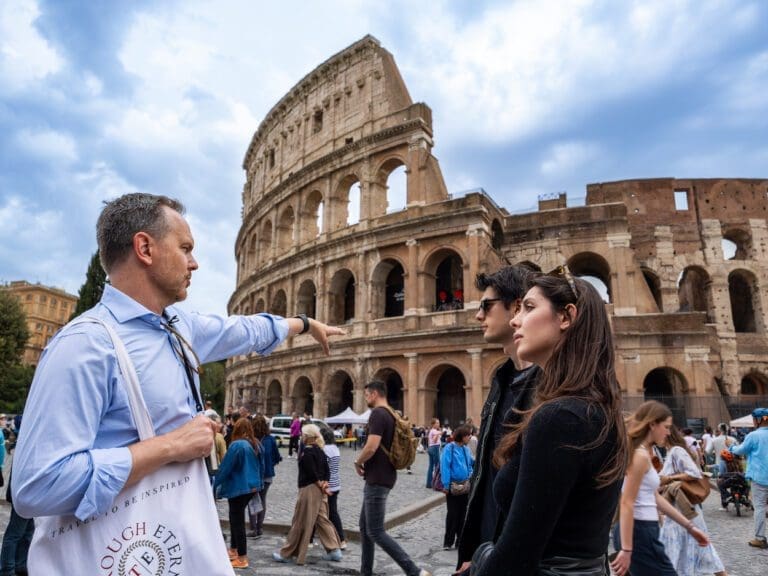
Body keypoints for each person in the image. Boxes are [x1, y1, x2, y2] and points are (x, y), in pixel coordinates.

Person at [11, 193, 344, 562]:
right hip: (110, 553)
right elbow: (35, 486)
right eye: (185, 248)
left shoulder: (180, 327)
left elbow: (244, 330)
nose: (195, 262)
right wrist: (170, 446)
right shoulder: (84, 345)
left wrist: (304, 324)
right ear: (145, 248)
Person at [461, 271, 628, 576]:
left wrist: (483, 555)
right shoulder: (599, 409)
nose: (516, 320)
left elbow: (515, 558)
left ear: (565, 317)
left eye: (528, 307)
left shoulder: (558, 417)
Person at [457, 265, 541, 566]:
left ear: (516, 307)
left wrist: (494, 560)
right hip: (487, 551)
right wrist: (477, 552)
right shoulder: (501, 380)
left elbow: (538, 504)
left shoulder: (551, 390)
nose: (478, 315)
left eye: (486, 306)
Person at [612, 401, 710, 576]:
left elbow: (653, 497)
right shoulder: (640, 455)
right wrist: (627, 550)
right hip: (640, 531)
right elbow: (627, 502)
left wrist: (690, 527)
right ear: (652, 424)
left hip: (642, 531)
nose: (668, 432)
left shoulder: (641, 452)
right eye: (666, 427)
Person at [354, 380, 432, 576]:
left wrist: (357, 461)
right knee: (365, 527)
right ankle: (366, 571)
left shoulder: (378, 414)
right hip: (383, 475)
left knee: (376, 531)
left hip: (378, 478)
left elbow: (372, 446)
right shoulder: (391, 413)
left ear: (373, 394)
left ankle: (414, 571)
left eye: (366, 395)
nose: (366, 399)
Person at [658, 426, 727, 576]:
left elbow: (694, 473)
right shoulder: (671, 452)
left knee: (699, 548)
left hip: (684, 508)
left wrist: (669, 478)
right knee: (685, 548)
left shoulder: (677, 451)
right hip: (677, 509)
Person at [273, 424, 342, 565]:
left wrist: (320, 484)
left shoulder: (308, 453)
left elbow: (311, 473)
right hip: (320, 489)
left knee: (300, 520)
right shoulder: (320, 451)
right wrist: (324, 485)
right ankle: (334, 550)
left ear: (308, 437)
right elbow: (327, 471)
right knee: (322, 519)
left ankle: (287, 553)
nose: (301, 436)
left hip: (309, 489)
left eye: (303, 434)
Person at [213, 418, 263, 569]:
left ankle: (242, 557)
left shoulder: (237, 445)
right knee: (235, 518)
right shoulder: (255, 443)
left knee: (237, 521)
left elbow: (226, 467)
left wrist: (215, 484)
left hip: (239, 487)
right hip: (251, 487)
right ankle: (234, 550)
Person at [729, 407, 768, 549]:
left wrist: (731, 448)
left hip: (760, 477)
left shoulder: (753, 436)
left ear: (759, 420)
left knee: (759, 508)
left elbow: (740, 450)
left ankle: (760, 538)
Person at [439, 424, 474, 550]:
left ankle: (460, 541)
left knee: (463, 514)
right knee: (453, 514)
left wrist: (470, 474)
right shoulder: (449, 448)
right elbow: (445, 466)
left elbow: (471, 463)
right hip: (453, 486)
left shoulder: (466, 449)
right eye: (468, 435)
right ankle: (448, 542)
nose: (470, 437)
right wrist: (446, 485)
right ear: (462, 436)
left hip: (465, 486)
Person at [248, 415, 280, 538]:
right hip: (267, 475)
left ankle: (253, 528)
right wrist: (270, 464)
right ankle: (259, 527)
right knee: (262, 499)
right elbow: (277, 457)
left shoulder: (251, 440)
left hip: (253, 475)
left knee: (252, 500)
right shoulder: (271, 439)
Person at [321, 427, 346, 548]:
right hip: (336, 483)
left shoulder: (325, 450)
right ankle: (340, 539)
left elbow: (323, 468)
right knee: (331, 512)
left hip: (327, 485)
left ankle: (340, 539)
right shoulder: (335, 449)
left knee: (327, 513)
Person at [426, 418, 441, 488]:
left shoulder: (430, 431)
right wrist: (439, 433)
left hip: (430, 448)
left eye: (438, 423)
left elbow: (430, 441)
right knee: (437, 466)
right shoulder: (435, 431)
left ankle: (429, 483)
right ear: (433, 424)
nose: (438, 424)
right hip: (435, 448)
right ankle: (436, 483)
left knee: (431, 466)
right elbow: (435, 441)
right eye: (437, 423)